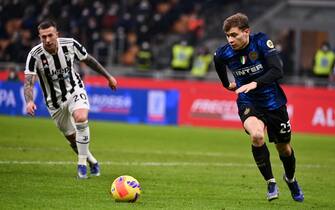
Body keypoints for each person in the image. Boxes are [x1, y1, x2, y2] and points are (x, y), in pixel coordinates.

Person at [213, 13, 304, 202]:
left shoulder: (261, 42)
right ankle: (271, 182)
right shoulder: (224, 53)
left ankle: (290, 179)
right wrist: (226, 84)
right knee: (256, 135)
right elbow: (218, 62)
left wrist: (256, 83)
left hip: (274, 102)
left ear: (246, 32)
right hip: (248, 101)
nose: (230, 40)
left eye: (234, 35)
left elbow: (277, 70)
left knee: (284, 148)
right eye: (228, 36)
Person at [24, 20, 117, 179]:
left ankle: (81, 165)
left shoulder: (70, 44)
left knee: (81, 118)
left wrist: (108, 76)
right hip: (54, 103)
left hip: (75, 90)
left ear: (57, 35)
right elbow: (28, 82)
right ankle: (92, 161)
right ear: (39, 37)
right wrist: (29, 101)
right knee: (73, 139)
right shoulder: (34, 55)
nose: (47, 40)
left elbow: (89, 60)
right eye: (43, 37)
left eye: (50, 35)